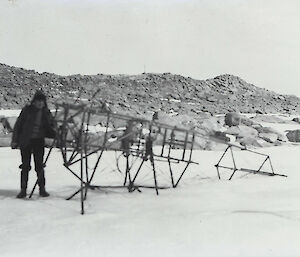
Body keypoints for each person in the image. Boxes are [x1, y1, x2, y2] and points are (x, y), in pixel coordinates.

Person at [11, 90, 56, 198]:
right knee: (25, 166)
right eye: (38, 101)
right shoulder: (27, 110)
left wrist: (56, 131)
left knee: (39, 166)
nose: (40, 103)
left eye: (42, 101)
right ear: (34, 102)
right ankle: (23, 190)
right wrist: (15, 140)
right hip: (26, 140)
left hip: (38, 141)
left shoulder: (46, 112)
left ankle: (42, 189)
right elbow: (18, 125)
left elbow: (52, 125)